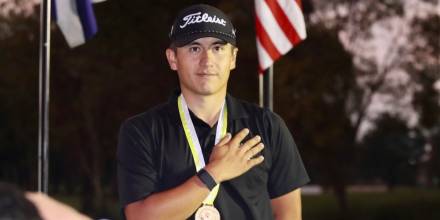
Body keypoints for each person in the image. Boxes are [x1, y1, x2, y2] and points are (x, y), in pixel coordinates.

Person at [117, 4, 309, 220]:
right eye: (194, 48)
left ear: (233, 58)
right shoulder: (141, 130)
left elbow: (288, 214)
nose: (207, 60)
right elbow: (139, 217)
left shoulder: (268, 126)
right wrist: (214, 173)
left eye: (217, 48)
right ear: (173, 59)